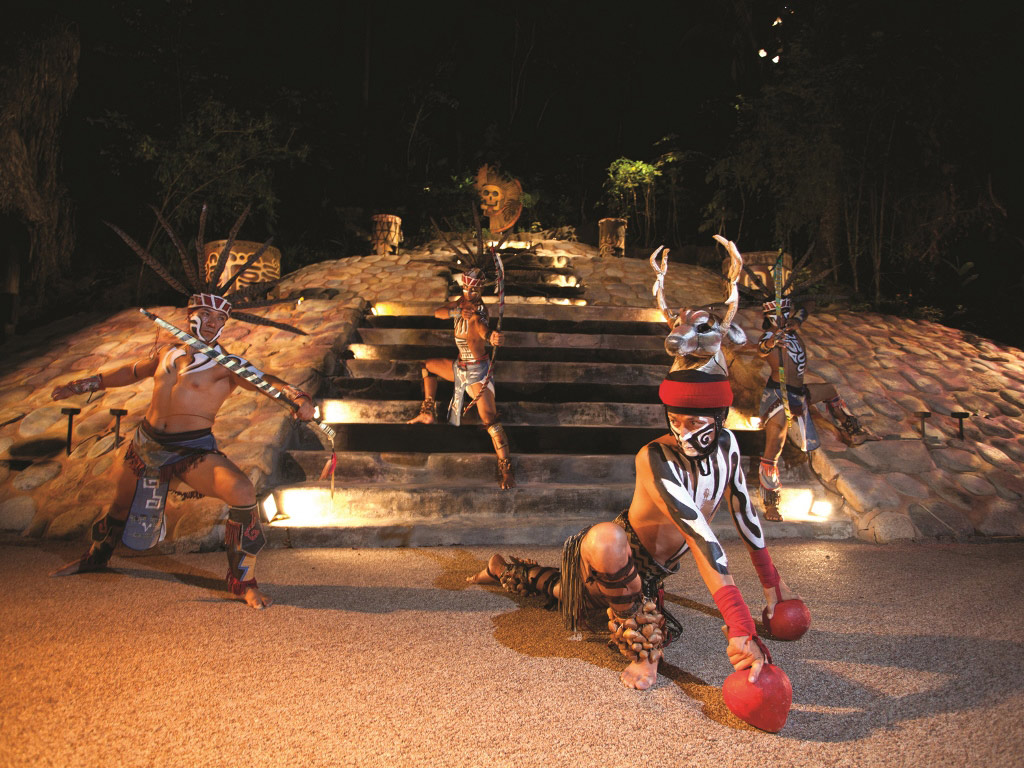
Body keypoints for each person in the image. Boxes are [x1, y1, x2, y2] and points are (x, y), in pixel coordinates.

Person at [468, 368, 801, 691]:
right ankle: (641, 650)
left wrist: (772, 583)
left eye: (694, 423)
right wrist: (740, 625)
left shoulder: (727, 445)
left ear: (720, 419)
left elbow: (744, 510)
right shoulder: (656, 457)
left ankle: (502, 568)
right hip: (611, 558)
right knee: (571, 583)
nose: (683, 434)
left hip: (650, 575)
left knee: (563, 587)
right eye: (675, 421)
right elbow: (700, 537)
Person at [756, 296, 868, 521]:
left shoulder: (793, 329)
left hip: (799, 392)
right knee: (774, 447)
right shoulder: (770, 336)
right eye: (776, 315)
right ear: (768, 317)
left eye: (785, 313)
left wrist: (798, 320)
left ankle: (851, 429)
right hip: (779, 395)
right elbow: (761, 349)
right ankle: (770, 503)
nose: (781, 317)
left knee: (829, 390)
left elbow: (810, 303)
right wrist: (772, 342)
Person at [407, 268, 513, 489]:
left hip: (476, 372)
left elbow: (484, 330)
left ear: (480, 290)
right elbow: (438, 313)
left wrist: (492, 337)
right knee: (427, 366)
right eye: (465, 288)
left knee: (490, 420)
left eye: (472, 290)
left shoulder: (479, 313)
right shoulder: (461, 302)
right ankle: (427, 411)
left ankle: (506, 469)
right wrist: (456, 312)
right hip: (459, 367)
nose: (468, 293)